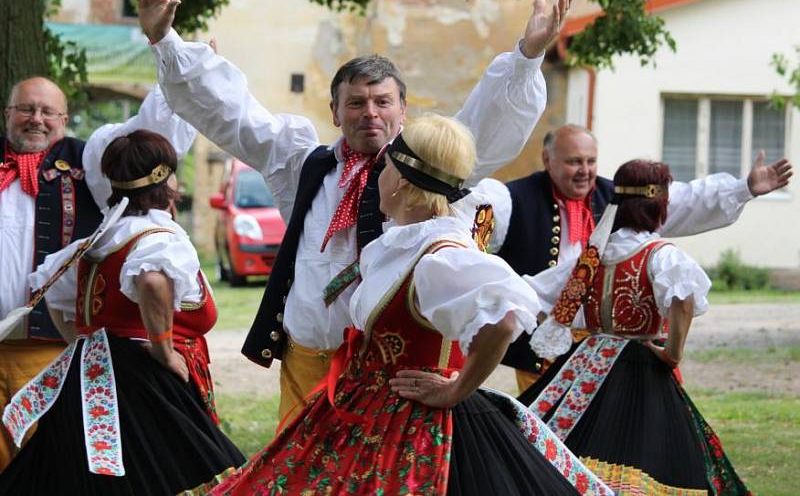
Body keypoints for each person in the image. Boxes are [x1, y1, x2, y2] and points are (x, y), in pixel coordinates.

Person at [132, 0, 575, 423]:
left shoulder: (430, 168)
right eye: (357, 103)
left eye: (383, 102)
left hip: (387, 371)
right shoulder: (303, 161)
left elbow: (483, 125)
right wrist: (167, 43)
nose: (370, 114)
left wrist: (526, 57)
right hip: (306, 360)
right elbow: (235, 115)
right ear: (335, 111)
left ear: (404, 109)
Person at [209, 115, 612, 495]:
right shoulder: (404, 241)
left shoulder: (440, 257)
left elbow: (504, 319)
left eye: (383, 169)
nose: (377, 178)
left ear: (400, 181)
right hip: (363, 402)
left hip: (411, 419)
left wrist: (455, 389)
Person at [0, 130, 245, 494]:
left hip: (93, 373)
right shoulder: (158, 236)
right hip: (142, 380)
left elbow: (55, 296)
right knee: (150, 478)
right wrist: (163, 350)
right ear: (167, 179)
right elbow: (151, 283)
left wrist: (82, 347)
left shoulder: (99, 239)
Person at [493, 124, 793, 392]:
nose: (584, 170)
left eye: (590, 161)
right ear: (547, 160)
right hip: (549, 346)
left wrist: (745, 188)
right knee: (549, 431)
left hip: (606, 355)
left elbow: (686, 200)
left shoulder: (617, 197)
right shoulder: (515, 199)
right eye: (574, 162)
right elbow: (528, 289)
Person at [517, 159, 750, 494]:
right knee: (642, 453)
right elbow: (684, 299)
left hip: (588, 361)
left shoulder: (594, 253)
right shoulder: (661, 254)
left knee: (571, 443)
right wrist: (673, 353)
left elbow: (537, 293)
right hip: (639, 363)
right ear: (659, 204)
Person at [0, 77, 195, 469]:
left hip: (49, 350)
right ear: (7, 114)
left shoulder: (88, 164)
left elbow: (144, 148)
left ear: (65, 118)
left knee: (47, 462)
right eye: (25, 109)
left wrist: (181, 75)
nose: (36, 119)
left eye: (47, 111)